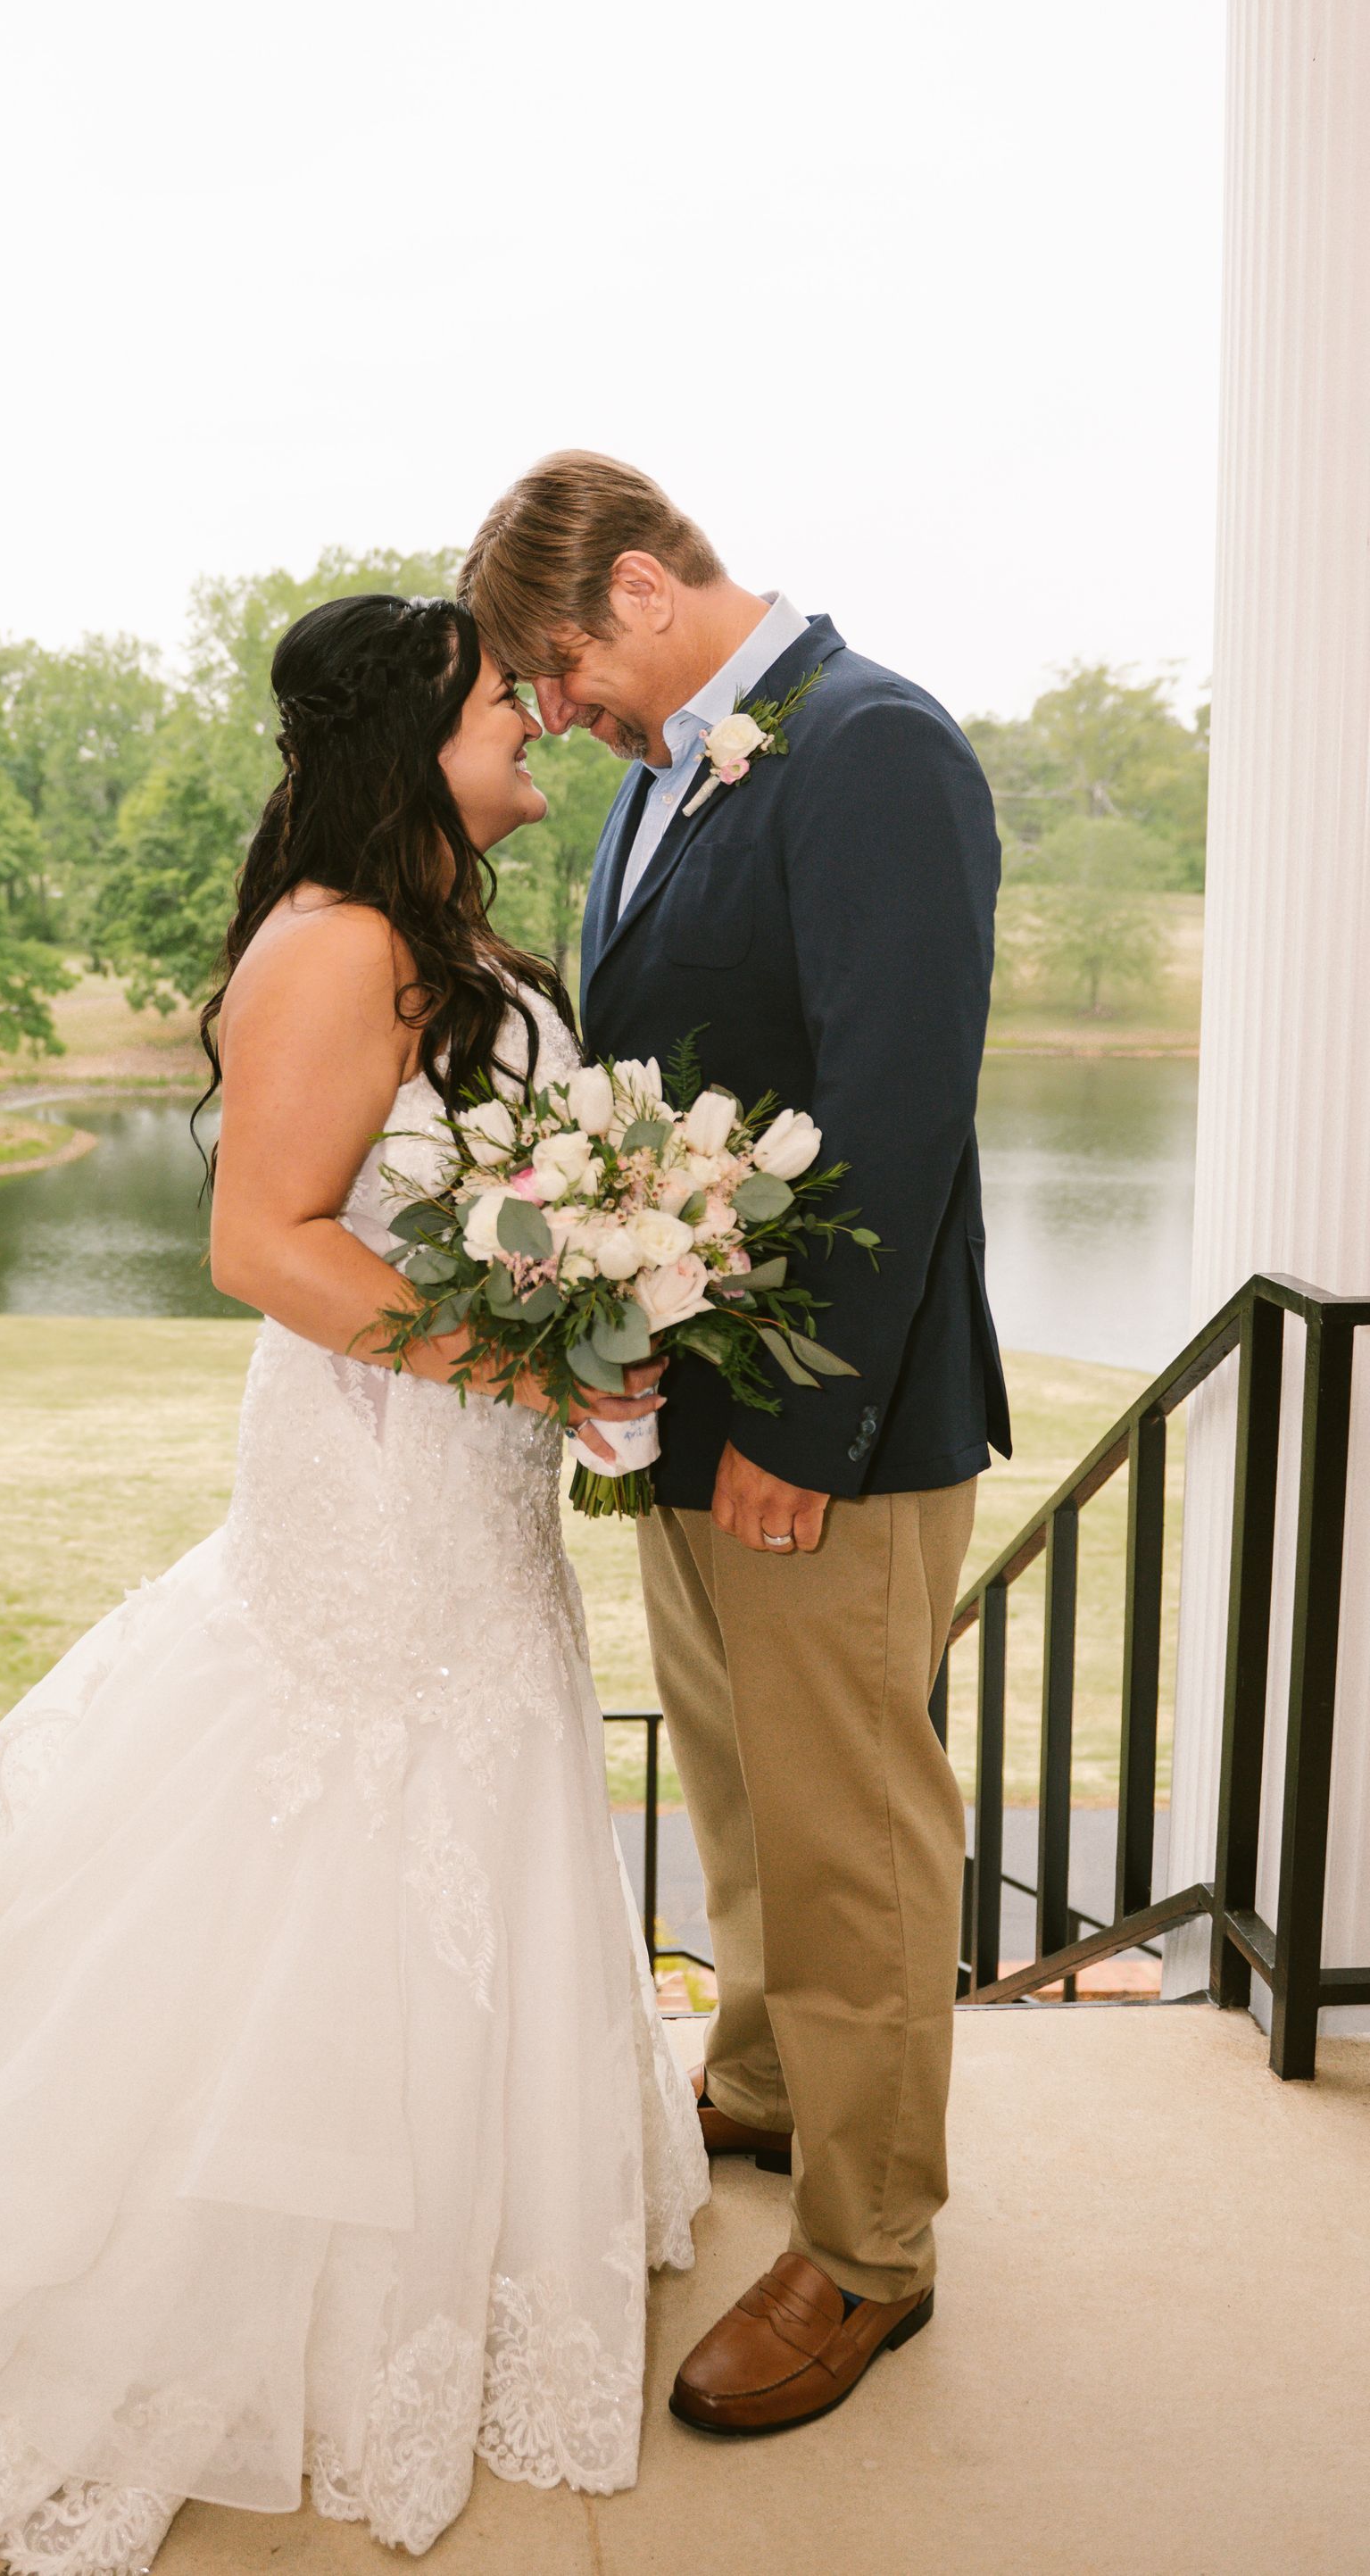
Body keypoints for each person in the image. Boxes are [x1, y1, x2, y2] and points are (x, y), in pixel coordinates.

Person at [0, 593, 706, 2573]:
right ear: (417, 740)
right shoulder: (335, 949)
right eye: (506, 711)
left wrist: (591, 1306)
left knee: (478, 1793)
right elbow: (262, 1241)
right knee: (337, 1816)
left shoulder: (455, 942)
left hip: (467, 1481)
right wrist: (526, 1356)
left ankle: (476, 2213)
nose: (536, 736)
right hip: (373, 1484)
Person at [462, 454, 1009, 2436]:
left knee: (850, 1833)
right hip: (690, 1416)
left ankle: (873, 2256)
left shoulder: (875, 747)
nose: (563, 716)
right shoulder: (663, 784)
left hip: (823, 1432)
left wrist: (799, 1420)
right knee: (744, 1790)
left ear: (637, 584)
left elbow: (895, 1107)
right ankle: (768, 2083)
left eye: (561, 669)